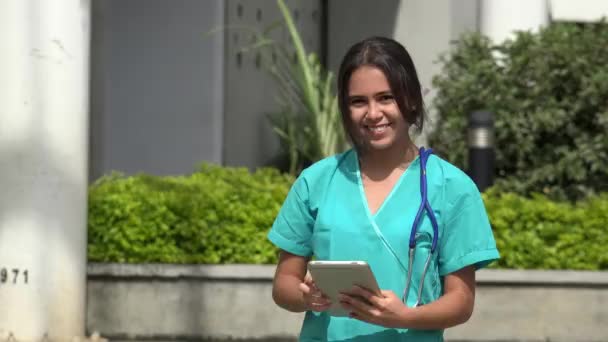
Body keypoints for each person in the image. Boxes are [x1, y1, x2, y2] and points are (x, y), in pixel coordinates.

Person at [267, 36, 500, 342]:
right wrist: (305, 296)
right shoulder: (316, 181)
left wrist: (405, 317)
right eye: (358, 101)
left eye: (386, 98)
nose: (373, 113)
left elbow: (461, 301)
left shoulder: (452, 188)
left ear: (412, 99)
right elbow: (284, 283)